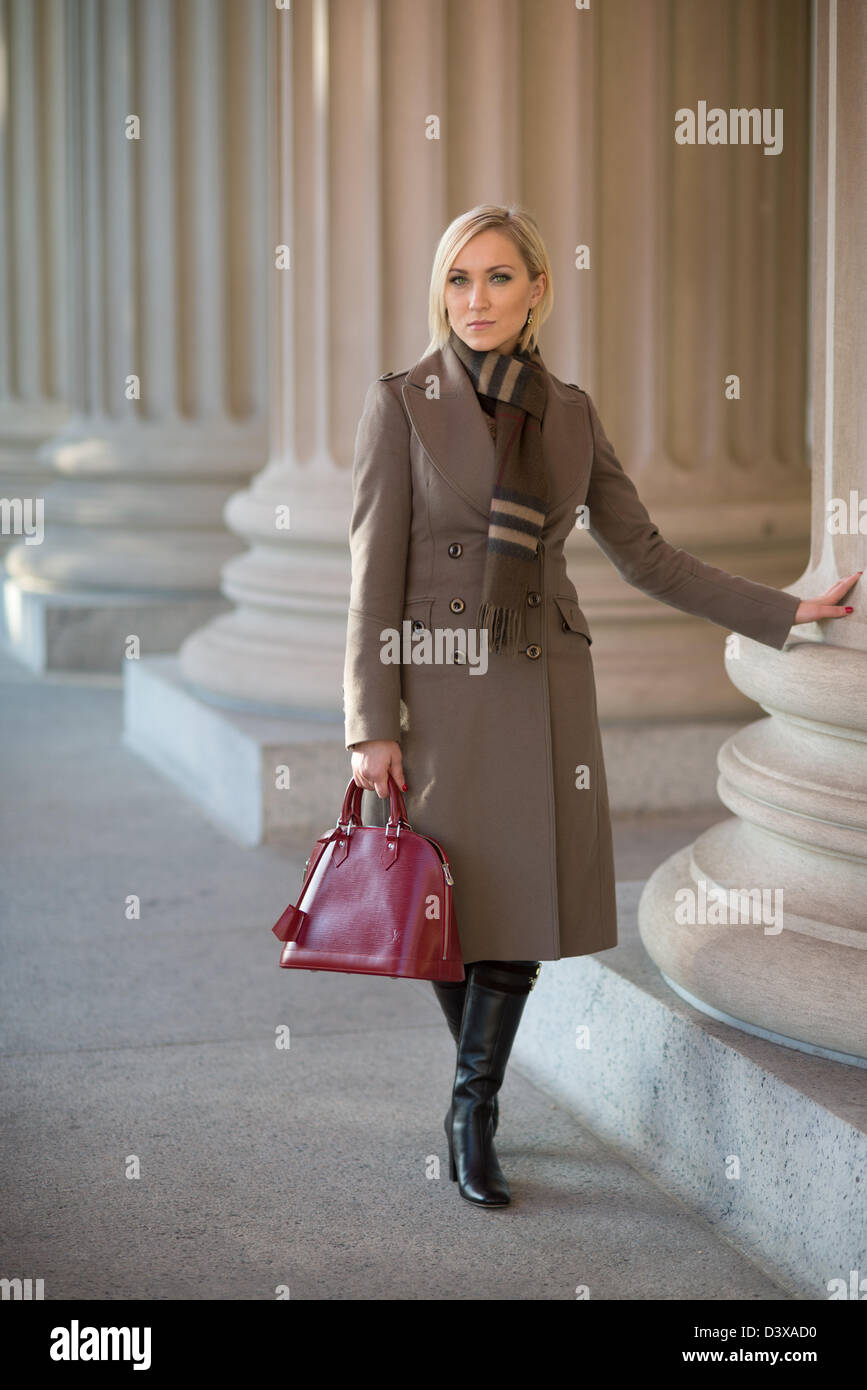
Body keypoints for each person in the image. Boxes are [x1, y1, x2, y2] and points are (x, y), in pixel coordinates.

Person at [342, 203, 860, 1209]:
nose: (476, 299)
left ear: (537, 288)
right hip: (440, 682)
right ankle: (476, 1097)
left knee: (518, 908)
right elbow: (370, 576)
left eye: (498, 278)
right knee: (453, 904)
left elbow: (646, 553)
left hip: (542, 683)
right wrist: (372, 722)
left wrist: (784, 613)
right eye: (459, 279)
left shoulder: (570, 412)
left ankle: (469, 1108)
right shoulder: (401, 403)